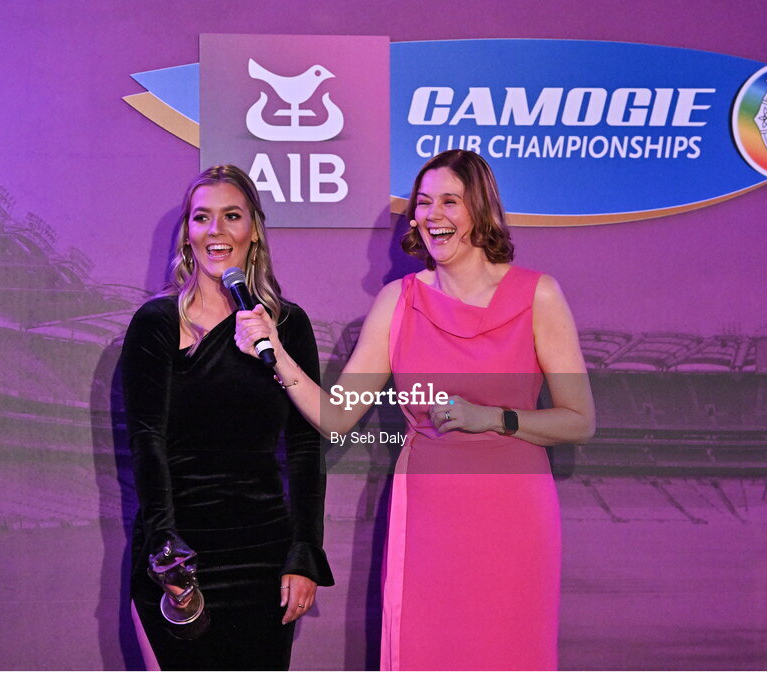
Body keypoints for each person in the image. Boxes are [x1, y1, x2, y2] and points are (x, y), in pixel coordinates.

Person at [236, 149, 595, 670]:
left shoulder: (536, 294)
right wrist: (278, 352)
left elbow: (579, 419)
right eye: (423, 202)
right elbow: (338, 416)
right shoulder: (397, 301)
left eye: (450, 200)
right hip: (427, 515)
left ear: (481, 209)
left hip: (516, 516)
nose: (432, 215)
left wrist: (492, 417)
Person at [121, 165, 333, 671]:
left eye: (231, 216)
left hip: (262, 553)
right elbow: (146, 442)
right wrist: (165, 547)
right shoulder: (156, 323)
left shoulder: (286, 324)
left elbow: (306, 446)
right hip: (178, 553)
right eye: (202, 218)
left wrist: (304, 551)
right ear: (188, 234)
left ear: (253, 229)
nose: (216, 231)